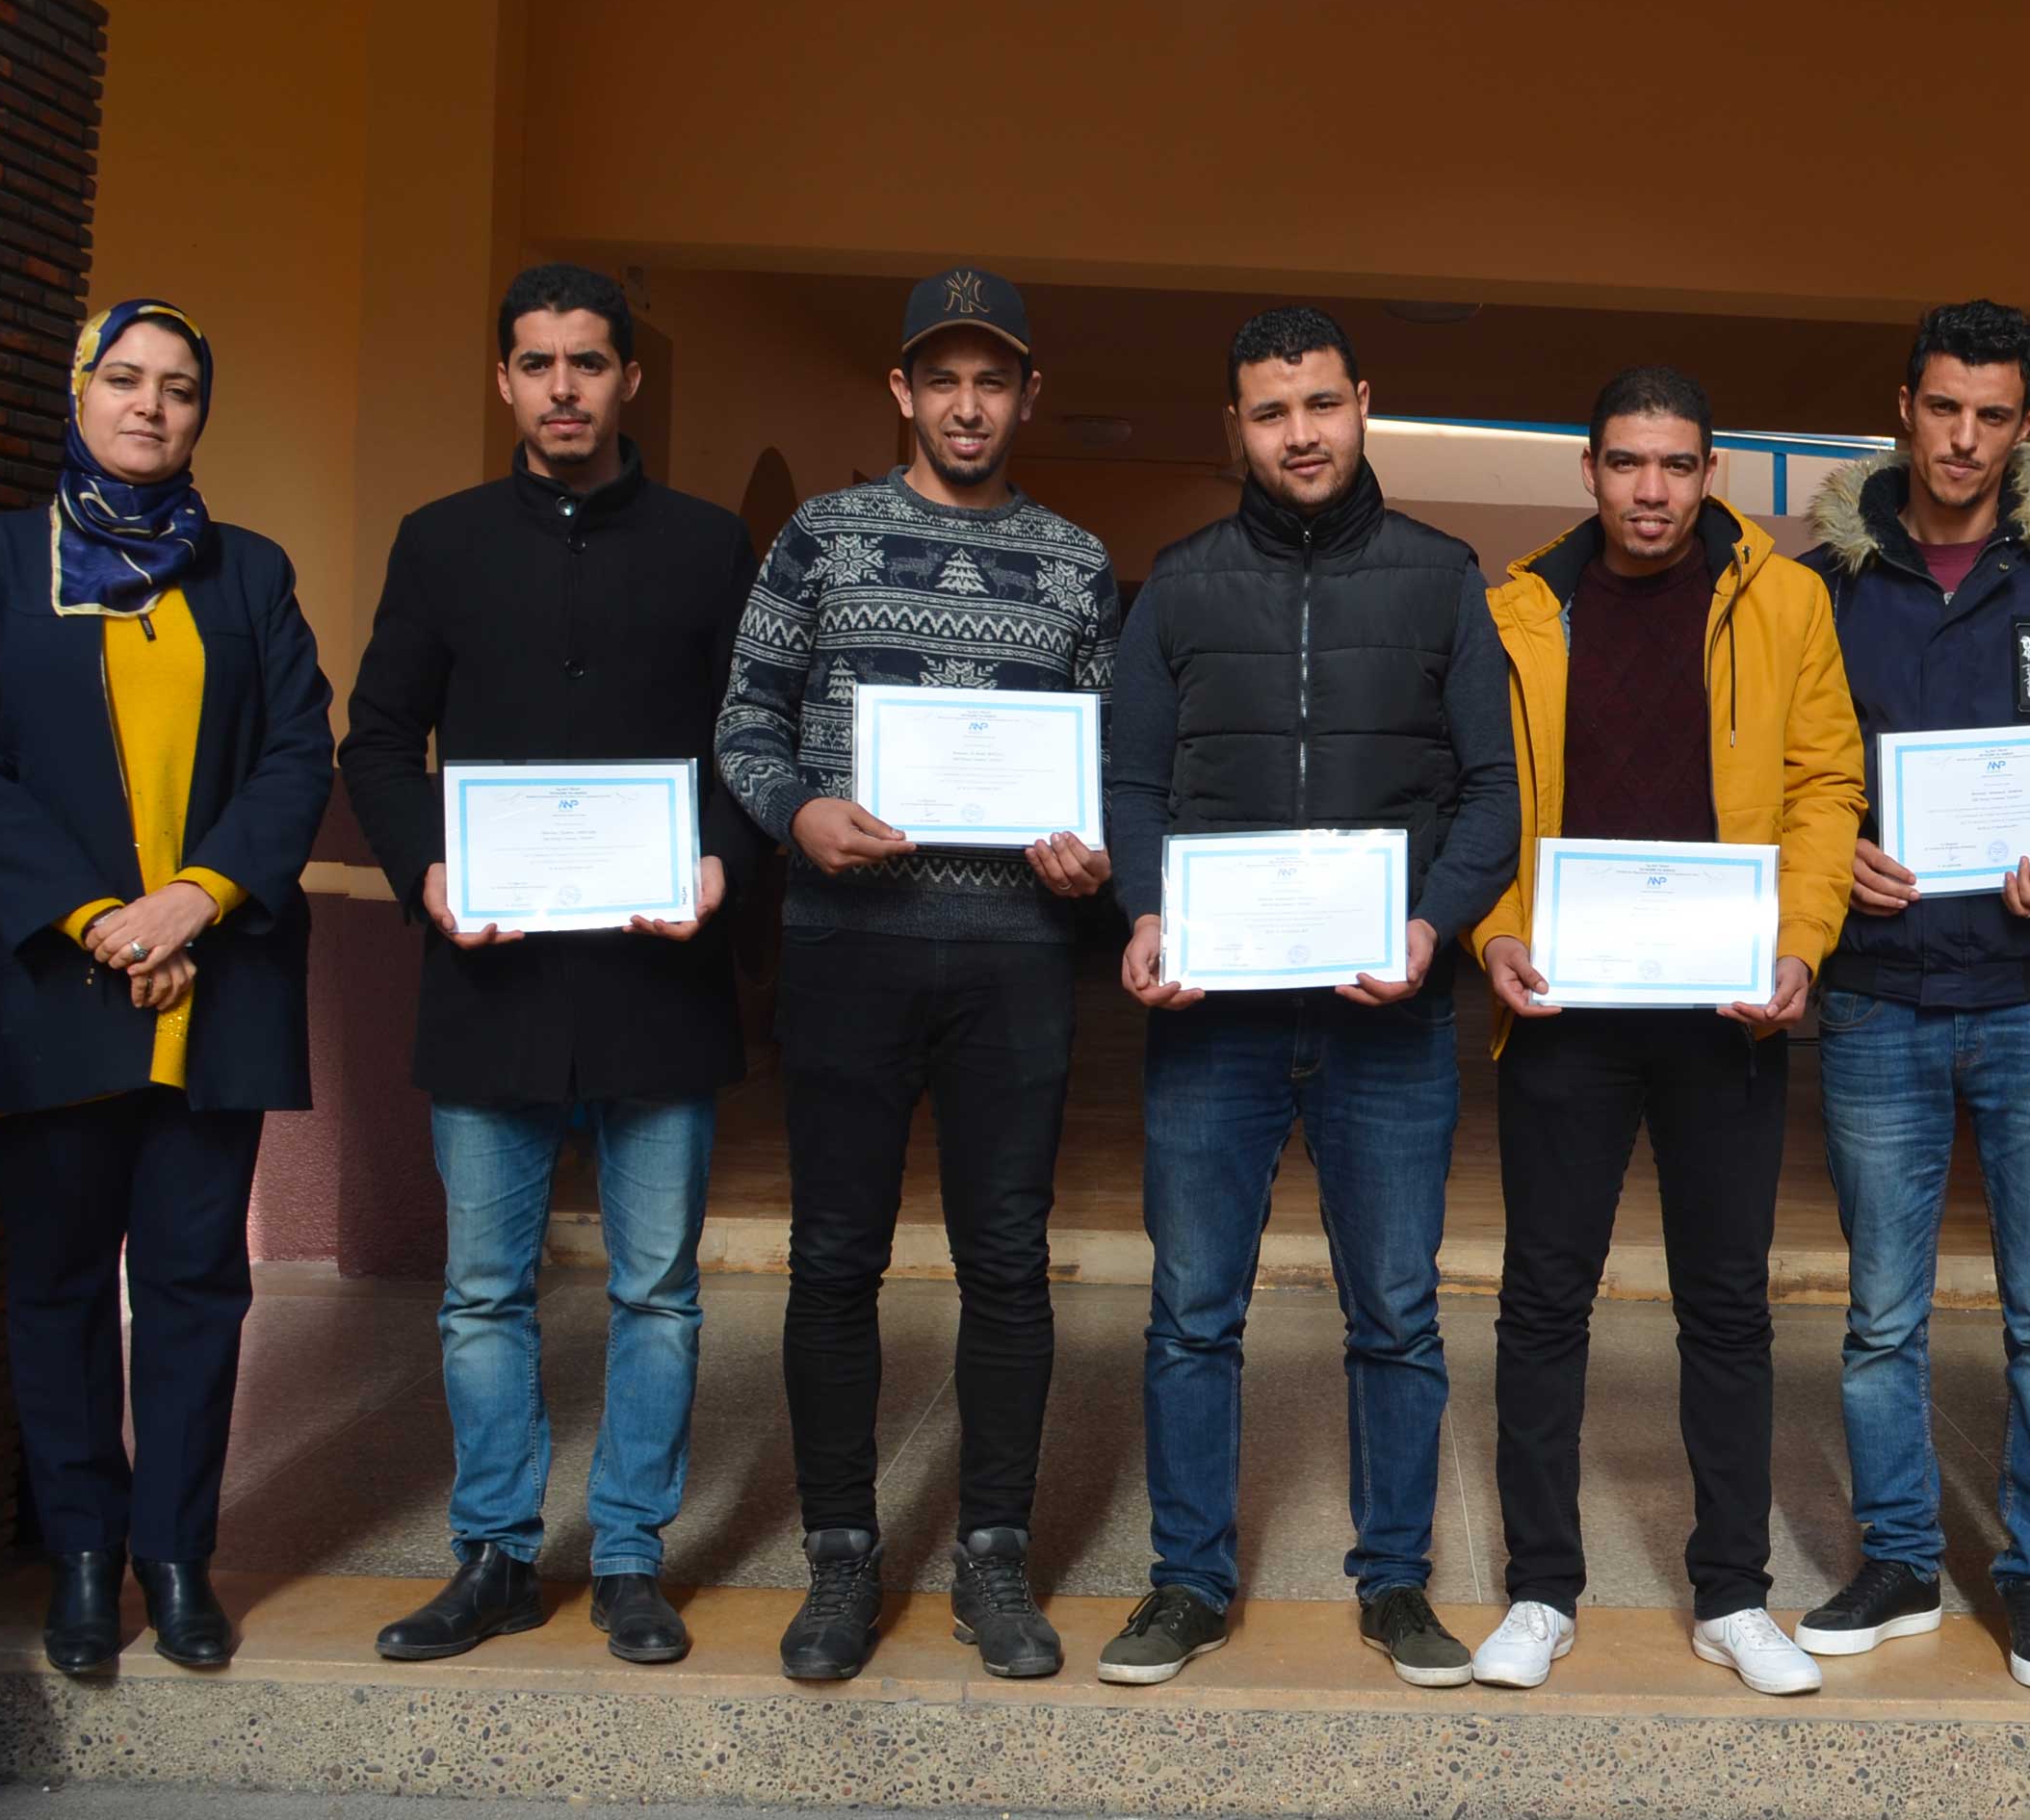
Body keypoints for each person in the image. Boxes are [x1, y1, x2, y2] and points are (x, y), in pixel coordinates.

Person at [341, 263, 767, 1669]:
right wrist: (430, 871)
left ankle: (633, 1556)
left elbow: (753, 745)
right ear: (504, 381)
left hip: (659, 979)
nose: (565, 387)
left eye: (590, 362)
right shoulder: (442, 541)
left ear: (629, 379)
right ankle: (496, 1556)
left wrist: (719, 859)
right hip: (492, 972)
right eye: (538, 364)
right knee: (481, 1291)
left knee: (657, 1287)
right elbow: (377, 740)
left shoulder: (712, 548)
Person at [1096, 305, 1518, 1689]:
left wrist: (1428, 925)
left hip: (1383, 1015)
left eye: (1322, 406)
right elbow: (1134, 784)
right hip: (1212, 1019)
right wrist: (1146, 909)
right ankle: (1185, 1583)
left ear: (1362, 404)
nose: (1301, 434)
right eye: (1272, 414)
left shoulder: (1444, 579)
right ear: (1239, 429)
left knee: (1395, 1306)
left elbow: (1490, 797)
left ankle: (1396, 1583)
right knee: (1191, 1306)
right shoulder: (1178, 585)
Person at [0, 299, 335, 1677]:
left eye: (180, 390)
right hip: (59, 981)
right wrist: (103, 921)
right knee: (55, 1285)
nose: (151, 407)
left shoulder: (249, 573)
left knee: (200, 1284)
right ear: (80, 393)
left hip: (216, 982)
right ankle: (85, 1559)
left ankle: (177, 1557)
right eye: (127, 381)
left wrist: (191, 902)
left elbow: (295, 764)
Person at [714, 267, 1117, 1682]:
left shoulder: (1076, 560)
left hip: (1014, 957)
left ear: (1025, 396)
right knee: (835, 1258)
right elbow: (748, 721)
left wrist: (1095, 853)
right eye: (940, 378)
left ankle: (993, 1560)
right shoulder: (818, 542)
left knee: (1006, 1263)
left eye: (991, 380)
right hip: (847, 950)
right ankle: (839, 1560)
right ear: (901, 391)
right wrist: (794, 815)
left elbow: (1113, 765)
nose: (965, 403)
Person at [1465, 366, 1862, 1697]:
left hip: (1722, 1006)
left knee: (1727, 1308)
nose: (1651, 490)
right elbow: (1479, 794)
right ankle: (1538, 1590)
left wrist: (1800, 944)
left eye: (1678, 466)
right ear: (1589, 469)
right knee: (1542, 1302)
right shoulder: (1520, 606)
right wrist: (1497, 932)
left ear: (1712, 475)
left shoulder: (1787, 598)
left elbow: (1823, 784)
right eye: (1628, 464)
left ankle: (1734, 1595)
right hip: (1569, 1005)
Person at [1785, 299, 2030, 1692]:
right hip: (1879, 998)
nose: (1964, 438)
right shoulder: (1822, 583)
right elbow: (1790, 772)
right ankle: (1903, 1560)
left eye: (1993, 414)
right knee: (1881, 1313)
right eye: (1942, 408)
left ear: (2025, 425)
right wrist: (1827, 854)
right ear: (1903, 409)